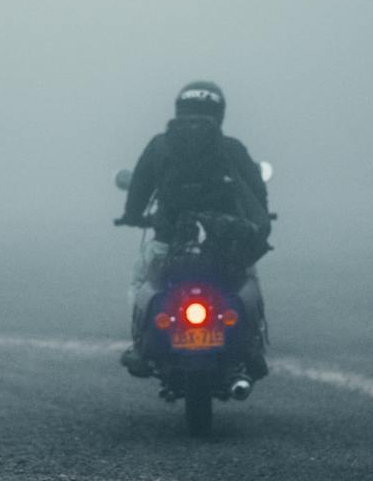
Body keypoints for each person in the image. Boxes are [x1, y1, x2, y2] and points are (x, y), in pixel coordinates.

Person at [115, 80, 271, 388]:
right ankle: (253, 348)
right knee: (248, 278)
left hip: (168, 241)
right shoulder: (231, 148)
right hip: (224, 245)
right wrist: (257, 221)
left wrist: (132, 216)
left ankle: (139, 345)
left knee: (141, 278)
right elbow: (257, 192)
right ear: (220, 111)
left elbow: (139, 188)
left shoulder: (160, 145)